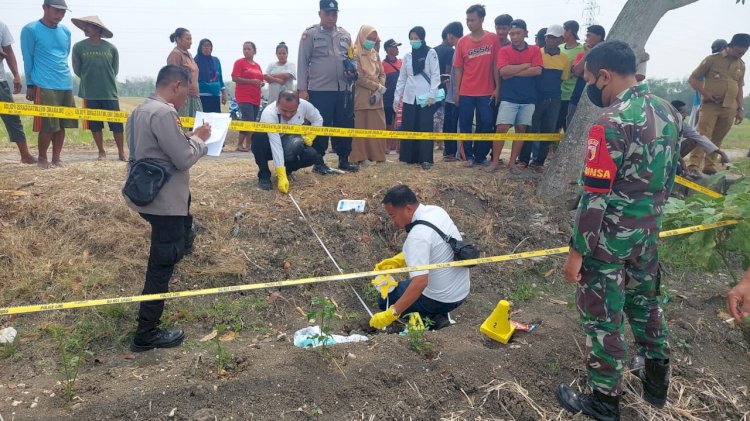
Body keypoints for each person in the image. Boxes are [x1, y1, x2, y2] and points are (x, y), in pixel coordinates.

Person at [556, 41, 681, 420]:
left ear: (605, 76)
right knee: (645, 305)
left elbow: (594, 198)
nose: (592, 88)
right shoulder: (668, 112)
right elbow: (669, 179)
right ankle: (657, 384)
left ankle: (604, 401)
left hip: (607, 242)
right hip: (647, 235)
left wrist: (577, 252)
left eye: (592, 80)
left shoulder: (610, 123)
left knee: (603, 318)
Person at [123, 65, 211, 352]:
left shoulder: (140, 110)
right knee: (161, 265)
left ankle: (183, 243)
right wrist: (199, 140)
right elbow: (184, 159)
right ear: (176, 85)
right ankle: (146, 334)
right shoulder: (164, 113)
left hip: (146, 195)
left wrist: (185, 135)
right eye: (186, 90)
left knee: (179, 237)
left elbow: (154, 149)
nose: (187, 96)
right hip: (164, 202)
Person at [369, 184, 470, 330]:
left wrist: (391, 314)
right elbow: (434, 245)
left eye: (393, 215)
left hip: (442, 299)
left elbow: (420, 282)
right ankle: (436, 314)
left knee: (385, 299)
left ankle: (433, 315)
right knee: (405, 287)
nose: (393, 221)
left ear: (408, 209)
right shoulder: (437, 211)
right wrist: (398, 260)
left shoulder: (417, 236)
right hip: (461, 291)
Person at [298, 0, 359, 173]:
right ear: (320, 14)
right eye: (328, 13)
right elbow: (303, 62)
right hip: (320, 89)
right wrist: (302, 89)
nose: (332, 17)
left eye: (335, 14)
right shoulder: (310, 34)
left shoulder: (345, 35)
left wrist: (353, 70)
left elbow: (352, 57)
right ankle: (319, 162)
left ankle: (344, 159)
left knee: (344, 124)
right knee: (321, 125)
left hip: (343, 90)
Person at [21, 0, 78, 169]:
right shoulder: (30, 30)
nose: (59, 15)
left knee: (61, 124)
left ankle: (57, 158)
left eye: (63, 12)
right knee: (48, 124)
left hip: (65, 83)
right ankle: (42, 158)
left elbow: (64, 55)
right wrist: (30, 84)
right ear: (44, 8)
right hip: (44, 83)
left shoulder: (66, 31)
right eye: (56, 11)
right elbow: (28, 57)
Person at [687, 33, 748, 176]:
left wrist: (740, 108)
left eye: (745, 52)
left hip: (730, 107)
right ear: (731, 46)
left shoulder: (741, 65)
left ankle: (709, 165)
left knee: (718, 137)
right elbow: (693, 79)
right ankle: (694, 165)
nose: (741, 54)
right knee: (703, 135)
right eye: (739, 51)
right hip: (710, 106)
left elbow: (739, 87)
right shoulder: (712, 60)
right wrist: (705, 93)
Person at [252, 90, 334, 192]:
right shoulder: (269, 113)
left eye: (292, 111)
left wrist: (311, 136)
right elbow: (275, 145)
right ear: (277, 103)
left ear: (298, 105)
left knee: (312, 155)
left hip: (291, 143)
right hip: (270, 146)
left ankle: (288, 170)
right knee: (258, 137)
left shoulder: (305, 105)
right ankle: (264, 176)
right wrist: (280, 174)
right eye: (284, 110)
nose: (288, 114)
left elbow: (318, 119)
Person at [487, 19, 542, 173]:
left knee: (521, 129)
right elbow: (503, 72)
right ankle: (495, 162)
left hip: (529, 98)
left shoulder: (535, 50)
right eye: (512, 34)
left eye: (517, 33)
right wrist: (526, 65)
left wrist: (514, 70)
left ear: (525, 33)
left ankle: (512, 163)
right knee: (502, 128)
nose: (514, 37)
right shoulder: (504, 51)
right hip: (509, 97)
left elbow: (537, 70)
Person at [71, 15, 125, 161]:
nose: (85, 29)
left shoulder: (111, 49)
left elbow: (114, 70)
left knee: (117, 125)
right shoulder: (78, 47)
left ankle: (121, 152)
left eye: (88, 26)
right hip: (89, 93)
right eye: (84, 26)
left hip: (109, 93)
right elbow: (77, 69)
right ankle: (101, 151)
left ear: (97, 28)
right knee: (95, 125)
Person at [453, 4, 501, 167]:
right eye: (467, 20)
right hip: (466, 91)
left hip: (486, 91)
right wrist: (456, 92)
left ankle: (481, 155)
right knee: (465, 124)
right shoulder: (462, 42)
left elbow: (496, 64)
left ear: (481, 19)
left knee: (486, 123)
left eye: (472, 20)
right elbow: (458, 68)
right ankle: (468, 156)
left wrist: (497, 87)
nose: (469, 23)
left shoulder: (492, 39)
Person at [518, 24, 569, 172]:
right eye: (548, 37)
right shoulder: (536, 53)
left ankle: (539, 162)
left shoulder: (564, 59)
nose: (550, 40)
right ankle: (523, 160)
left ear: (561, 39)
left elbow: (563, 78)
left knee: (548, 130)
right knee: (530, 128)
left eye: (554, 37)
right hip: (535, 97)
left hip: (554, 98)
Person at [393, 26, 440, 170]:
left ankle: (425, 159)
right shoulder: (407, 56)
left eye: (416, 38)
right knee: (410, 126)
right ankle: (409, 157)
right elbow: (402, 79)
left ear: (422, 38)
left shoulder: (431, 53)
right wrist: (397, 97)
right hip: (409, 97)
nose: (414, 41)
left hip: (425, 97)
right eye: (411, 39)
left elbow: (435, 75)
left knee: (424, 126)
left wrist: (433, 94)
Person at [0, 20, 36, 164]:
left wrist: (16, 75)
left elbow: (8, 51)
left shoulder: (2, 26)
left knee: (12, 117)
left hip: (0, 81)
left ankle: (25, 155)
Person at [350, 25, 387, 164]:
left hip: (377, 97)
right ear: (361, 37)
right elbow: (358, 77)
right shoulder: (354, 53)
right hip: (362, 97)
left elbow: (382, 73)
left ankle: (378, 156)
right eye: (368, 38)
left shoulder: (375, 53)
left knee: (378, 127)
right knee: (361, 128)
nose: (371, 41)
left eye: (373, 39)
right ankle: (361, 157)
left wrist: (380, 87)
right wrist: (377, 86)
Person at [670, 100, 730, 175]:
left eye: (685, 112)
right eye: (682, 113)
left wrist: (721, 153)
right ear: (673, 113)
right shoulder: (666, 125)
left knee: (693, 140)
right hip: (663, 153)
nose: (685, 115)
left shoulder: (682, 125)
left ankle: (674, 162)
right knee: (678, 171)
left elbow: (699, 138)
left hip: (673, 154)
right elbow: (669, 147)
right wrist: (682, 162)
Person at [567, 24, 605, 127]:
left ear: (599, 37)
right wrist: (588, 54)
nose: (586, 39)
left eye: (589, 36)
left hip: (598, 99)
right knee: (571, 125)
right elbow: (576, 72)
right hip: (577, 97)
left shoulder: (607, 55)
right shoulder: (582, 54)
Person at [232, 41, 264, 152]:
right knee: (247, 118)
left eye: (248, 49)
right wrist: (251, 81)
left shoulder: (257, 65)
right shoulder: (239, 63)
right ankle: (240, 144)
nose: (246, 51)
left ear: (254, 51)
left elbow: (260, 79)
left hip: (256, 96)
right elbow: (235, 78)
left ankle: (248, 144)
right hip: (244, 95)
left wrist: (261, 83)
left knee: (253, 120)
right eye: (244, 49)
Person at [689, 39, 728, 128]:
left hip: (707, 103)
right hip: (703, 103)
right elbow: (696, 81)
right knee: (697, 131)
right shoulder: (711, 62)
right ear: (724, 48)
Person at [441, 22, 464, 162]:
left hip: (456, 96)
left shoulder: (459, 50)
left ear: (450, 35)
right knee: (449, 125)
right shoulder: (456, 50)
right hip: (451, 94)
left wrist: (456, 92)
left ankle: (456, 153)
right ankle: (450, 152)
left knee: (454, 126)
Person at [167, 28, 202, 118]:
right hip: (183, 97)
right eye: (188, 39)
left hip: (194, 96)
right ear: (178, 40)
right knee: (182, 128)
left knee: (196, 126)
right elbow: (172, 76)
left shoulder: (189, 55)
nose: (191, 42)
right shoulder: (175, 54)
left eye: (191, 39)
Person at [556, 20, 584, 132]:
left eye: (563, 29)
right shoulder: (559, 48)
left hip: (572, 95)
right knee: (554, 126)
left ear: (570, 31)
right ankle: (552, 150)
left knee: (568, 127)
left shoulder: (582, 50)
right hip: (558, 93)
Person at [194, 39, 226, 113]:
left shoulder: (216, 61)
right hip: (201, 95)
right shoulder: (195, 61)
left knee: (215, 119)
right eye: (204, 46)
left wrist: (224, 94)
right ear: (200, 48)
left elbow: (220, 78)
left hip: (215, 95)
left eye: (208, 46)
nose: (206, 48)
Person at [382, 39, 402, 154]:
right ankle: (387, 147)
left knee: (399, 123)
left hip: (400, 98)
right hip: (387, 99)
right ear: (388, 49)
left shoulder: (401, 63)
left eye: (397, 47)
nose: (396, 49)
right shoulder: (382, 65)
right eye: (394, 47)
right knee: (388, 123)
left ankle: (399, 147)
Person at [264, 42, 297, 108]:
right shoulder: (271, 65)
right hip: (273, 100)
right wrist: (279, 80)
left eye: (284, 53)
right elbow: (265, 76)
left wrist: (271, 76)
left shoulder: (291, 65)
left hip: (287, 100)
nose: (281, 55)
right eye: (279, 53)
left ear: (287, 54)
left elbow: (287, 75)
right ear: (276, 54)